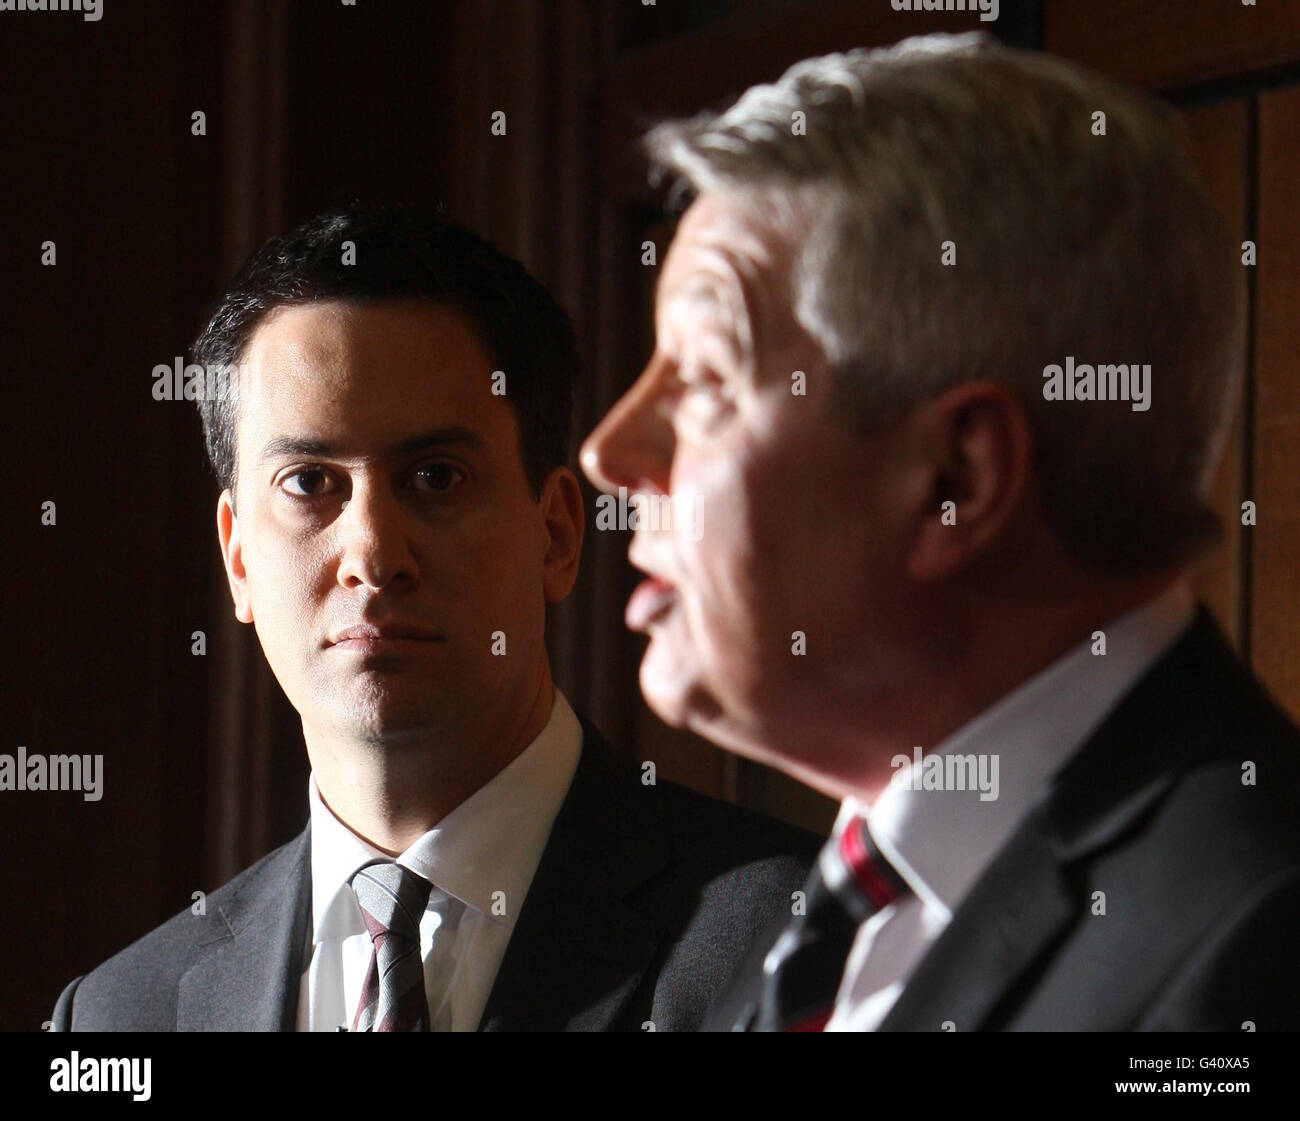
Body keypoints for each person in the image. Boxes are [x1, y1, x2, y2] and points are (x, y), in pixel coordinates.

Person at [580, 33, 1300, 1031]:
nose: (608, 449)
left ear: (956, 479)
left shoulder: (1257, 952)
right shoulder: (786, 928)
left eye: (702, 377)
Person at [51, 204, 819, 1032]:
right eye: (310, 482)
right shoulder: (118, 1015)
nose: (375, 553)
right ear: (238, 557)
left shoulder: (793, 937)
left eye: (436, 477)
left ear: (557, 531)